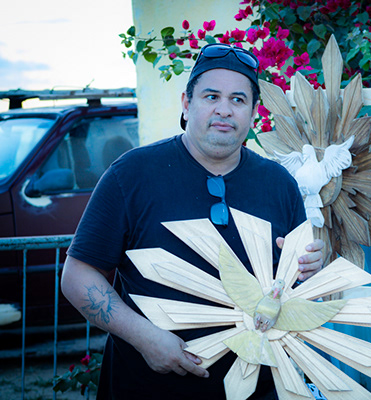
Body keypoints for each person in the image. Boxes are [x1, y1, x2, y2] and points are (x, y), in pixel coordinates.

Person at [61, 43, 324, 399]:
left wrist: (307, 270)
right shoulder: (132, 174)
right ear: (186, 104)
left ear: (252, 113)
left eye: (238, 100)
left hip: (257, 388)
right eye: (211, 96)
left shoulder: (279, 184)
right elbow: (78, 275)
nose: (224, 110)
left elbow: (292, 286)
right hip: (147, 389)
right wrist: (144, 337)